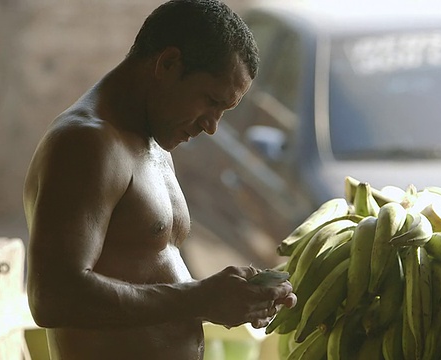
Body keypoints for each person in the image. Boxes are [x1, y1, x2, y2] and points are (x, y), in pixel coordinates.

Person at [22, 1, 296, 359]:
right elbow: (54, 297)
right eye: (210, 101)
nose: (211, 126)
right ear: (168, 64)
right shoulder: (86, 143)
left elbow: (149, 287)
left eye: (223, 111)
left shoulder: (153, 139)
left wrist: (231, 299)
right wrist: (200, 297)